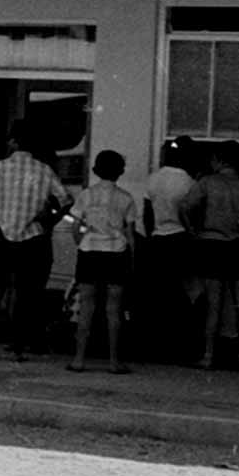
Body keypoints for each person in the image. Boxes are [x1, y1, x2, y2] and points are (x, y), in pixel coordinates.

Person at [0, 119, 71, 360]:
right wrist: (48, 222)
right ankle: (18, 345)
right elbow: (66, 201)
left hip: (3, 235)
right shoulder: (44, 170)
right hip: (34, 237)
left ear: (13, 142)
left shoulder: (1, 167)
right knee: (28, 293)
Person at [182, 141, 239, 369]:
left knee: (214, 303)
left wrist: (192, 230)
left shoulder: (207, 182)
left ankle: (208, 355)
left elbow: (185, 206)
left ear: (219, 159)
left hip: (213, 242)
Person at [67, 150, 137, 373]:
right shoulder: (126, 198)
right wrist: (131, 259)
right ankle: (114, 361)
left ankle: (79, 359)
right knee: (113, 309)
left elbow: (74, 225)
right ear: (119, 172)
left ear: (97, 170)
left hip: (89, 251)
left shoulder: (86, 195)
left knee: (86, 306)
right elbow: (131, 234)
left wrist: (82, 241)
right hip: (116, 252)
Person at [141, 137, 199, 363]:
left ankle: (156, 345)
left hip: (157, 239)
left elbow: (147, 212)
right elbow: (192, 215)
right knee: (182, 293)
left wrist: (149, 235)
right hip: (180, 238)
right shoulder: (189, 182)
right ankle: (180, 347)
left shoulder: (153, 179)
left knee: (158, 293)